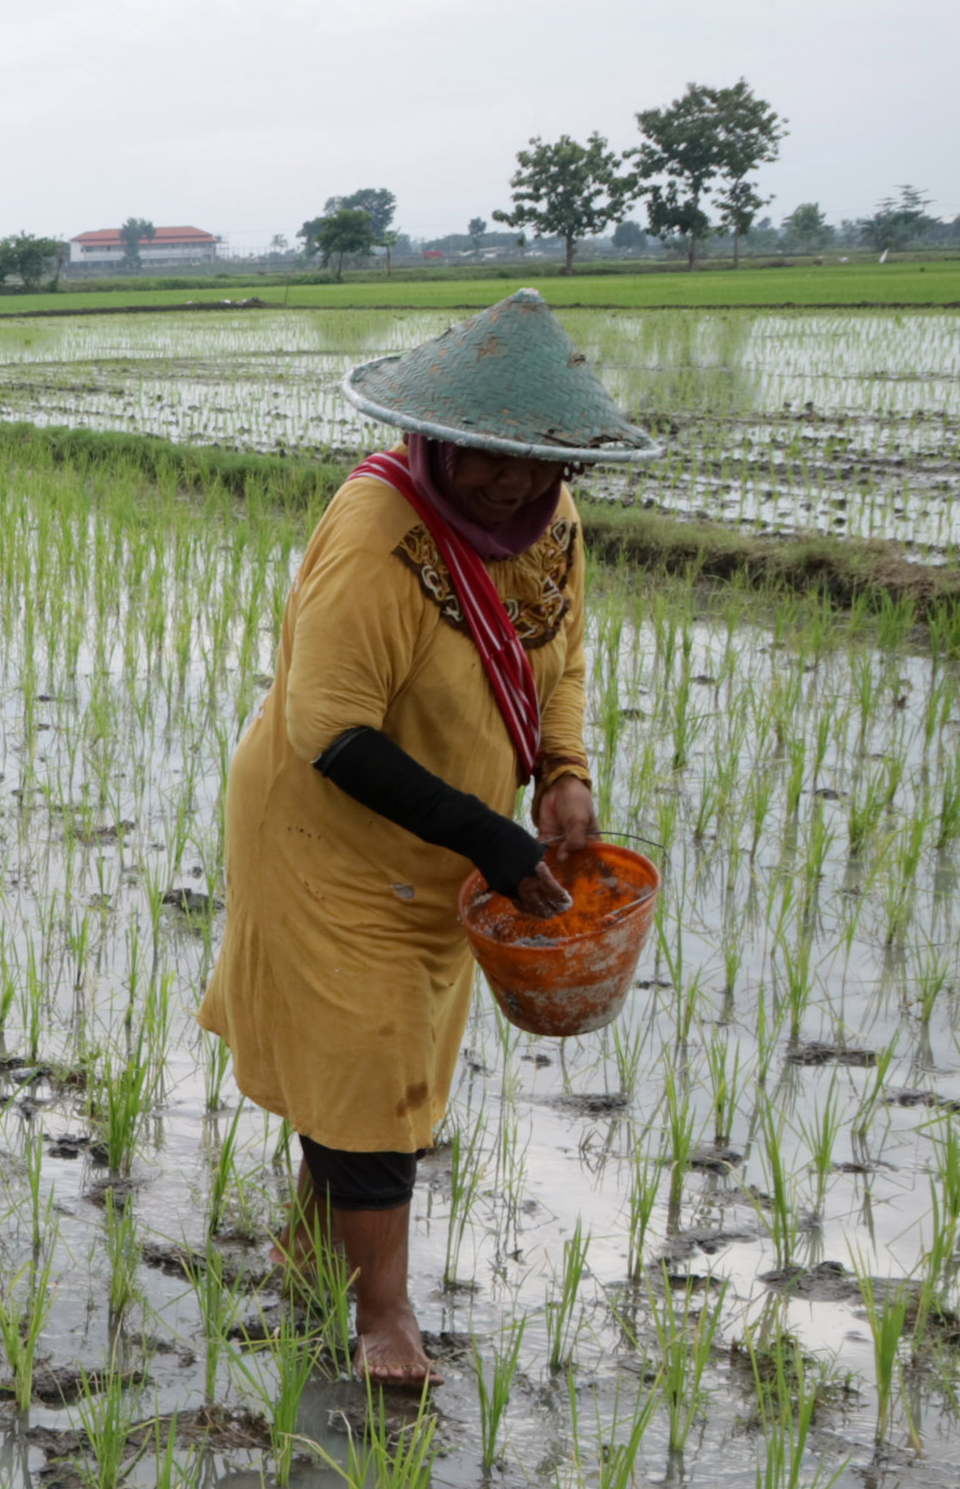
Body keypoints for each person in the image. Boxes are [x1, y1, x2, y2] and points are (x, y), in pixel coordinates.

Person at [201, 289, 644, 1386]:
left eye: (535, 465)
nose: (507, 483)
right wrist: (494, 838)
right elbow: (328, 731)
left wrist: (565, 773)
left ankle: (311, 1249)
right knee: (365, 1058)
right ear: (436, 438)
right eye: (484, 457)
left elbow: (560, 652)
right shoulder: (376, 534)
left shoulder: (550, 526)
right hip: (324, 835)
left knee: (379, 1057)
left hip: (443, 842)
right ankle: (384, 1319)